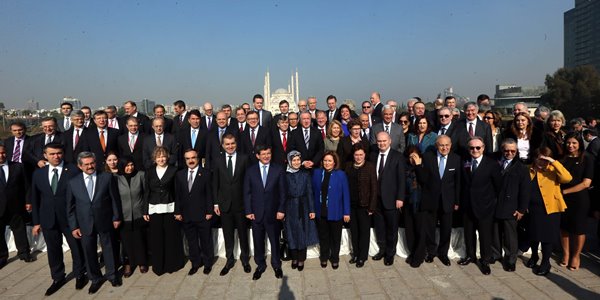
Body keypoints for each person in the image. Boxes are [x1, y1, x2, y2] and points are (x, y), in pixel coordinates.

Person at [30, 143, 87, 295]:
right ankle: (57, 277)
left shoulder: (74, 170)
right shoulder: (38, 174)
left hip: (70, 219)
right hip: (48, 219)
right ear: (45, 155)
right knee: (53, 251)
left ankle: (80, 274)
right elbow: (35, 199)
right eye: (52, 154)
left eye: (59, 153)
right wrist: (36, 222)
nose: (56, 156)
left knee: (77, 248)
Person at [67, 152, 122, 294]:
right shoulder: (73, 182)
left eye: (92, 163)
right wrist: (74, 226)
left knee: (109, 248)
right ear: (80, 166)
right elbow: (70, 208)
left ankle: (112, 275)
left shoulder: (107, 177)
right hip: (84, 223)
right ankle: (95, 279)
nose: (90, 166)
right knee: (89, 251)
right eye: (86, 164)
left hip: (105, 220)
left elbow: (115, 199)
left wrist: (116, 217)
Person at [412, 135, 460, 267]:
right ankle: (431, 252)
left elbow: (458, 182)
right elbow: (423, 179)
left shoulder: (456, 159)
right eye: (441, 145)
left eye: (447, 145)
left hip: (448, 201)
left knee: (446, 229)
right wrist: (417, 166)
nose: (444, 148)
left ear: (450, 145)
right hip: (430, 200)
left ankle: (443, 253)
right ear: (436, 146)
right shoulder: (428, 157)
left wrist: (457, 201)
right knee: (430, 228)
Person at [457, 136, 501, 275]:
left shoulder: (492, 164)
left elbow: (498, 186)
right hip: (467, 206)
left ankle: (485, 260)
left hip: (485, 207)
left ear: (483, 148)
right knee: (468, 233)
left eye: (478, 148)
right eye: (472, 148)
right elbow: (460, 184)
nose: (475, 150)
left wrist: (492, 203)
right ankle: (470, 256)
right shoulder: (464, 162)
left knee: (485, 235)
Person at [526, 147, 572, 276]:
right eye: (540, 159)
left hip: (550, 209)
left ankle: (546, 262)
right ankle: (534, 256)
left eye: (545, 159)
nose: (543, 162)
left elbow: (567, 178)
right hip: (533, 208)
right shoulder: (529, 169)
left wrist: (553, 162)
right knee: (533, 235)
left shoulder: (553, 169)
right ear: (534, 158)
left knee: (547, 237)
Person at [243, 145, 286, 280]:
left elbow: (283, 192)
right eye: (263, 154)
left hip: (273, 214)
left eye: (268, 153)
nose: (266, 156)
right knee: (258, 241)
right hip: (256, 214)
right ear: (257, 156)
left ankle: (276, 265)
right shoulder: (250, 171)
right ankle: (260, 265)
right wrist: (248, 211)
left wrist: (281, 210)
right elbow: (247, 193)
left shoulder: (278, 170)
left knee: (274, 240)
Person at [212, 134, 252, 275]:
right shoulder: (217, 160)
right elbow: (215, 182)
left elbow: (248, 182)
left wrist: (249, 203)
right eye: (227, 144)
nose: (230, 146)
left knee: (243, 233)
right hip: (224, 204)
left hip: (241, 204)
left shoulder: (244, 159)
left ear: (236, 144)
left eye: (232, 144)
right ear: (223, 145)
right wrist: (216, 203)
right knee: (228, 234)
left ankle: (245, 259)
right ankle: (229, 260)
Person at [143, 147, 185, 275]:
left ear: (167, 157)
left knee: (170, 237)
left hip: (170, 207)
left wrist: (178, 210)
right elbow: (146, 191)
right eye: (158, 157)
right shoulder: (149, 171)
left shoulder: (174, 170)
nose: (161, 159)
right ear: (154, 159)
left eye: (163, 156)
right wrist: (145, 211)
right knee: (156, 238)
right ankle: (158, 266)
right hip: (154, 208)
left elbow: (178, 192)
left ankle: (171, 265)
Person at [491, 139, 530, 272]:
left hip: (511, 206)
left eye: (513, 151)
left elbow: (525, 190)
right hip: (495, 204)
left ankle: (510, 259)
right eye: (507, 150)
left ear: (516, 151)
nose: (509, 153)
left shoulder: (521, 168)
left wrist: (521, 209)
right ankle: (496, 254)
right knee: (495, 232)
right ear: (502, 150)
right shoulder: (494, 162)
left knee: (510, 236)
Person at [175, 149, 214, 275]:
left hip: (203, 214)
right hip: (186, 215)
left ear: (198, 158)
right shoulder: (180, 175)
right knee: (191, 241)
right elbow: (178, 195)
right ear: (185, 160)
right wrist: (178, 212)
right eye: (188, 158)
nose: (191, 160)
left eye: (193, 158)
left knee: (205, 240)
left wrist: (209, 211)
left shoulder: (206, 173)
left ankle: (208, 263)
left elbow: (209, 193)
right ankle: (195, 263)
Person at [370, 132, 405, 266]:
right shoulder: (373, 155)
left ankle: (390, 254)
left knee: (391, 228)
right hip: (377, 199)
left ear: (390, 141)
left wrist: (400, 198)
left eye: (384, 141)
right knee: (380, 227)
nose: (382, 143)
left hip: (392, 199)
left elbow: (401, 179)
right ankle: (382, 250)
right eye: (379, 141)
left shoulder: (398, 156)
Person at [311, 151, 350, 269]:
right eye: (325, 161)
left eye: (329, 161)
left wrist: (346, 212)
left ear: (334, 162)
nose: (327, 163)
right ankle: (324, 257)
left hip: (336, 212)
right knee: (323, 237)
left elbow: (346, 194)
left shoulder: (341, 175)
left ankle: (334, 258)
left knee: (335, 237)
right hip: (321, 211)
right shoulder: (317, 173)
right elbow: (312, 193)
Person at [559, 133, 592, 271]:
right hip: (562, 199)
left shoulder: (587, 158)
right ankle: (566, 254)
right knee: (564, 228)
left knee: (578, 229)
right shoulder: (562, 159)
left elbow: (586, 183)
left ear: (579, 144)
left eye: (574, 143)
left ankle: (576, 256)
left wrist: (565, 192)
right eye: (568, 143)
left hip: (579, 199)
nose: (570, 145)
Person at [0, 144, 35, 269]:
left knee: (19, 230)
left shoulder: (18, 166)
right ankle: (2, 256)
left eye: (3, 152)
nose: (1, 155)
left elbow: (26, 186)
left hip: (16, 205)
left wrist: (28, 201)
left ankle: (24, 253)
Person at [284, 151, 319, 271]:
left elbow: (309, 193)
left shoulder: (305, 175)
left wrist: (311, 210)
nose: (296, 162)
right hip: (290, 207)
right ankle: (294, 257)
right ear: (289, 161)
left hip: (302, 207)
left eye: (298, 160)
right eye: (294, 160)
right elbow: (282, 194)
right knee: (291, 232)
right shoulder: (285, 175)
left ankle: (301, 259)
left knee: (301, 232)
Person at [344, 144, 377, 268]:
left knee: (364, 232)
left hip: (365, 205)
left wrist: (372, 207)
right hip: (351, 205)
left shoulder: (369, 167)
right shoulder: (348, 166)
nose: (358, 157)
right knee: (354, 231)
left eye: (361, 155)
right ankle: (356, 254)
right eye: (356, 155)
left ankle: (362, 257)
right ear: (353, 155)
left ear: (364, 155)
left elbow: (374, 188)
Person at [116, 157, 148, 277]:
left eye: (131, 165)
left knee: (140, 240)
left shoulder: (140, 175)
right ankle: (128, 264)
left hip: (139, 214)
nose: (130, 168)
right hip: (124, 216)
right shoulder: (116, 179)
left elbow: (146, 194)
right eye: (127, 165)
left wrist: (145, 210)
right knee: (126, 242)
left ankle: (142, 262)